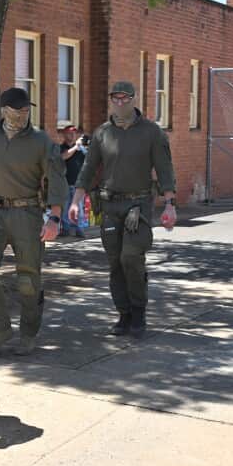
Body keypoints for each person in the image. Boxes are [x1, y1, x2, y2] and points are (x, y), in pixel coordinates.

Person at [70, 81, 177, 339]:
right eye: (115, 99)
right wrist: (76, 199)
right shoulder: (102, 133)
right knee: (115, 262)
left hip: (138, 204)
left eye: (125, 98)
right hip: (110, 204)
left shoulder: (151, 132)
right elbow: (88, 169)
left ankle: (138, 311)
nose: (120, 103)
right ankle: (124, 313)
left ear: (134, 99)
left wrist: (170, 204)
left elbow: (164, 168)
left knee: (131, 256)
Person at [0, 88, 68, 357]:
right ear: (4, 111)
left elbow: (56, 179)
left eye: (27, 110)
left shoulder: (41, 141)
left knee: (28, 279)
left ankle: (28, 333)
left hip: (27, 214)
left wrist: (54, 217)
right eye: (17, 111)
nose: (23, 115)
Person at [57, 122, 87, 236]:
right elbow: (63, 157)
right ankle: (65, 229)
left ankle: (79, 229)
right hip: (64, 182)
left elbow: (89, 162)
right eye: (69, 133)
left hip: (78, 183)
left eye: (74, 133)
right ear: (64, 135)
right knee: (64, 208)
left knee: (78, 207)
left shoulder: (81, 150)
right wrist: (76, 147)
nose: (72, 135)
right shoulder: (61, 148)